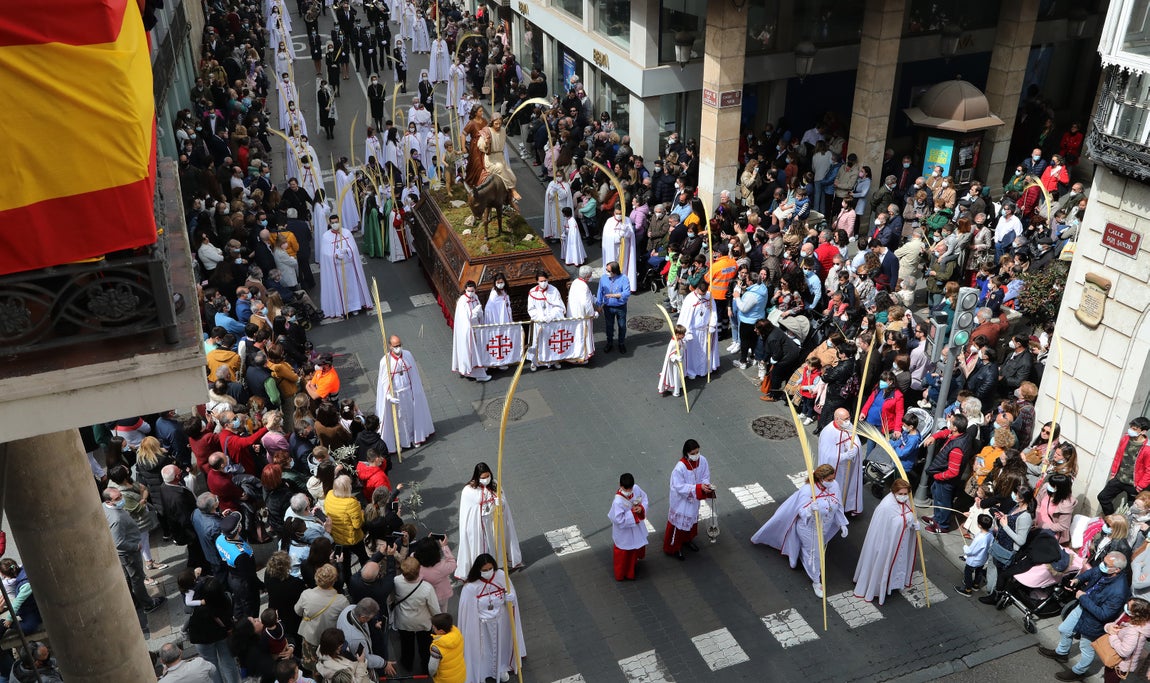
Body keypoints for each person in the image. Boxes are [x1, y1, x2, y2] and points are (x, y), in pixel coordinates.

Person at [752, 464, 849, 598]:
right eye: (829, 479)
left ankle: (802, 556)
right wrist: (809, 509)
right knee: (815, 555)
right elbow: (801, 512)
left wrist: (842, 523)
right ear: (821, 479)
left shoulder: (835, 485)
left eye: (833, 479)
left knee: (813, 550)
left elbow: (837, 506)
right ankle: (816, 581)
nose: (832, 482)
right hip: (809, 528)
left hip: (824, 527)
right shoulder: (807, 490)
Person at [1038, 552, 1131, 681]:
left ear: (1117, 569)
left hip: (1094, 621)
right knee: (1064, 629)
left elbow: (1104, 614)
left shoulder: (1119, 591)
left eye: (1106, 564)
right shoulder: (1106, 570)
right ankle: (1062, 653)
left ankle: (1079, 671)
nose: (1101, 565)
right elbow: (1093, 572)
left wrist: (1083, 597)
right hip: (1083, 607)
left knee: (1086, 649)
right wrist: (1078, 580)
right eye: (1103, 562)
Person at [458, 554, 526, 683]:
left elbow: (509, 591)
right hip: (481, 626)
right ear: (478, 570)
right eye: (484, 570)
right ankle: (485, 671)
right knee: (484, 650)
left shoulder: (501, 576)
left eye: (490, 569)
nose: (488, 572)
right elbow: (468, 611)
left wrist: (510, 597)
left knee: (502, 645)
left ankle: (501, 667)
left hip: (501, 621)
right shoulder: (471, 587)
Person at [101, 488, 164, 622]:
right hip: (129, 553)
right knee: (137, 578)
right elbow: (119, 543)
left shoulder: (105, 508)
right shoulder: (116, 519)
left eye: (120, 495)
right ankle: (148, 604)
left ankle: (134, 601)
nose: (121, 499)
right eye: (117, 498)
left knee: (128, 577)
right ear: (108, 501)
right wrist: (136, 546)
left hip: (125, 553)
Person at [853, 478, 919, 604]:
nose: (903, 497)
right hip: (886, 544)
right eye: (900, 494)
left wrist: (914, 524)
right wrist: (906, 520)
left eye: (905, 494)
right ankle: (878, 587)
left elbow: (909, 515)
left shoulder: (907, 502)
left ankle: (893, 583)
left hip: (900, 541)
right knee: (882, 564)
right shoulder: (886, 506)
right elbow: (885, 528)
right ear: (893, 492)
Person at [455, 462, 523, 580]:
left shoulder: (495, 483)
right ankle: (482, 567)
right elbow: (470, 511)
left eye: (488, 476)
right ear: (477, 477)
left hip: (494, 522)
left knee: (496, 543)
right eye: (483, 477)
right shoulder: (468, 490)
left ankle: (499, 562)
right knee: (483, 546)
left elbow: (503, 501)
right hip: (479, 524)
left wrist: (500, 502)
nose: (486, 479)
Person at [376, 334, 435, 450]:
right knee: (400, 418)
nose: (398, 348)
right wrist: (388, 396)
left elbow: (414, 375)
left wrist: (415, 392)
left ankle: (414, 437)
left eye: (399, 345)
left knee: (412, 415)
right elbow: (384, 381)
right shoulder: (385, 361)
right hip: (396, 394)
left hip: (408, 392)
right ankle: (402, 441)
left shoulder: (408, 355)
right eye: (395, 346)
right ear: (390, 346)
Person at [663, 439, 716, 560]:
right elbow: (678, 486)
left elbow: (705, 475)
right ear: (686, 453)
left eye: (697, 452)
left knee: (691, 522)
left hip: (694, 499)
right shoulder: (680, 468)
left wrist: (706, 485)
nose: (696, 455)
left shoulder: (702, 460)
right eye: (693, 453)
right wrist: (698, 488)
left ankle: (687, 540)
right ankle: (674, 548)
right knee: (678, 525)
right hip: (682, 502)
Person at [920, 413, 973, 534]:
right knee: (937, 496)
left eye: (951, 422)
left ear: (955, 428)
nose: (949, 421)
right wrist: (934, 437)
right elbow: (946, 433)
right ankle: (937, 518)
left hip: (945, 480)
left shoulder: (957, 449)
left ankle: (942, 525)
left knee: (943, 502)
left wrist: (938, 476)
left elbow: (953, 472)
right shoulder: (961, 435)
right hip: (942, 478)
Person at [295, 564, 350, 670]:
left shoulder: (306, 594)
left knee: (313, 666)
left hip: (310, 637)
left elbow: (297, 611)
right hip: (330, 640)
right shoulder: (341, 600)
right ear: (334, 581)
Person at [391, 556, 440, 675]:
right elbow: (435, 609)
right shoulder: (426, 588)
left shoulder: (396, 581)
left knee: (406, 645)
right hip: (422, 623)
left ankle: (407, 664)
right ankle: (426, 667)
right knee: (425, 647)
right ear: (419, 571)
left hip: (404, 621)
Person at [319, 214, 372, 318]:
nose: (335, 224)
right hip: (337, 269)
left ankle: (355, 307)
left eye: (336, 222)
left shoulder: (347, 233)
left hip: (349, 267)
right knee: (342, 288)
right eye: (332, 223)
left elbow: (354, 249)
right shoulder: (326, 236)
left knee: (352, 287)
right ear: (329, 223)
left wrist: (347, 250)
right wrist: (335, 255)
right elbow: (325, 254)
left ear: (340, 222)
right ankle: (343, 308)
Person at [1098, 417, 1150, 515]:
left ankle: (1123, 526)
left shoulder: (1147, 449)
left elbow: (1149, 471)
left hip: (1134, 485)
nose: (1131, 430)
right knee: (1103, 497)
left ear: (1143, 431)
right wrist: (1113, 473)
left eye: (1134, 429)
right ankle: (1111, 521)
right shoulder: (1126, 438)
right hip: (1119, 478)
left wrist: (1139, 487)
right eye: (1131, 427)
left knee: (1132, 510)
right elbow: (1118, 455)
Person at [818, 408, 863, 516]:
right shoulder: (828, 433)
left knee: (846, 487)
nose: (848, 421)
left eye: (849, 418)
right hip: (835, 469)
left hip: (847, 466)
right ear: (837, 419)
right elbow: (827, 455)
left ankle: (847, 506)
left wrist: (855, 449)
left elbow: (854, 439)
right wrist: (844, 456)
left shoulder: (847, 426)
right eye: (845, 419)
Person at [608, 473, 649, 581]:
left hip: (635, 527)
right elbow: (618, 519)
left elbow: (644, 498)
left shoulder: (636, 489)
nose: (628, 491)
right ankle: (622, 574)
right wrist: (633, 513)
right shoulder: (617, 501)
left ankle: (632, 568)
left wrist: (641, 508)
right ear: (620, 486)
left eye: (630, 488)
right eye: (625, 489)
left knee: (634, 549)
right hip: (624, 532)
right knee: (625, 552)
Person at [675, 281, 719, 379]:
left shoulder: (709, 296)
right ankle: (692, 371)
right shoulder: (690, 299)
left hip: (705, 330)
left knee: (705, 351)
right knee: (693, 353)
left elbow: (714, 311)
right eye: (701, 293)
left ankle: (704, 370)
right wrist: (688, 331)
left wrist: (712, 324)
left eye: (704, 293)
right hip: (694, 331)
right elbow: (686, 317)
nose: (702, 295)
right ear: (697, 289)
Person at [451, 281, 492, 382]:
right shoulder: (462, 301)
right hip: (467, 330)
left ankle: (480, 368)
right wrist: (474, 312)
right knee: (471, 351)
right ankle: (478, 374)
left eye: (472, 291)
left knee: (478, 349)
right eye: (468, 291)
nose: (470, 293)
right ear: (465, 289)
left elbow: (479, 312)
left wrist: (479, 314)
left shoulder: (475, 297)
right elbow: (464, 318)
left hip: (476, 327)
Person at [527, 272, 566, 371]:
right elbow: (531, 309)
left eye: (545, 280)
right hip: (539, 322)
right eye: (541, 281)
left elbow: (559, 306)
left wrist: (551, 316)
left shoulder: (554, 290)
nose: (543, 283)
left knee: (552, 342)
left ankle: (554, 360)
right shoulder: (533, 292)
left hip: (551, 322)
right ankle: (534, 362)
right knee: (537, 342)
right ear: (537, 281)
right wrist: (540, 317)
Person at [954, 514, 994, 596]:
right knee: (979, 572)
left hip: (974, 560)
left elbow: (970, 551)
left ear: (979, 525)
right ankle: (975, 585)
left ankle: (967, 589)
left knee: (968, 573)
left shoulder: (980, 538)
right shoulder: (990, 534)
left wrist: (965, 547)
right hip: (983, 559)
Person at [597, 261, 631, 354]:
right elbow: (600, 291)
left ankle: (621, 343)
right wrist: (599, 305)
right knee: (609, 326)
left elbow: (627, 292)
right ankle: (609, 343)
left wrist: (615, 295)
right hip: (608, 307)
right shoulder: (603, 278)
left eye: (609, 271)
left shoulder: (624, 278)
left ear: (615, 271)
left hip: (620, 307)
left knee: (622, 326)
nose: (607, 273)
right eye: (606, 270)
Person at [601, 206, 637, 292]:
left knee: (623, 265)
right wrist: (618, 236)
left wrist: (626, 232)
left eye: (620, 214)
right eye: (617, 214)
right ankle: (611, 282)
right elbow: (607, 236)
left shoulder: (627, 220)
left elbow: (631, 234)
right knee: (613, 264)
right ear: (614, 213)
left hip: (624, 248)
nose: (619, 215)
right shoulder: (609, 221)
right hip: (613, 248)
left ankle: (622, 282)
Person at [566, 265, 598, 362]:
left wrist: (596, 300)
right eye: (591, 275)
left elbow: (588, 297)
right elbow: (586, 304)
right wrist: (593, 314)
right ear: (587, 276)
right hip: (582, 316)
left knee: (576, 336)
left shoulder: (576, 282)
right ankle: (582, 357)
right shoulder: (584, 286)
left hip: (573, 314)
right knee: (582, 336)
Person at [428, 613, 466, 683]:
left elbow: (432, 668)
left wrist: (432, 675)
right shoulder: (458, 635)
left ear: (441, 631)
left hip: (445, 680)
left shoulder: (437, 647)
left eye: (434, 627)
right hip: (460, 675)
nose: (432, 628)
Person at [658, 325, 687, 398]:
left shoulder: (679, 340)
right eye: (682, 334)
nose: (684, 335)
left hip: (680, 361)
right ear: (677, 334)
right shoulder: (673, 343)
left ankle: (679, 386)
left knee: (679, 375)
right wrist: (676, 357)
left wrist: (684, 344)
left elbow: (683, 347)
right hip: (675, 364)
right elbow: (670, 355)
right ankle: (676, 392)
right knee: (676, 376)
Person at [543, 176, 573, 241]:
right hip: (554, 205)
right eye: (557, 176)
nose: (558, 177)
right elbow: (549, 195)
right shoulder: (551, 183)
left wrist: (559, 189)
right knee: (554, 220)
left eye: (560, 176)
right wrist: (553, 191)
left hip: (562, 205)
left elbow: (564, 195)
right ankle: (555, 236)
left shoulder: (566, 184)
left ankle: (563, 235)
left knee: (562, 220)